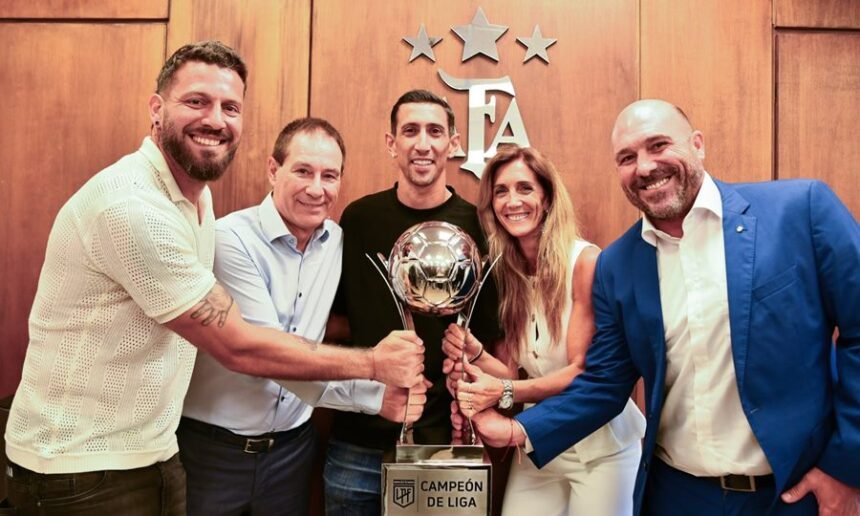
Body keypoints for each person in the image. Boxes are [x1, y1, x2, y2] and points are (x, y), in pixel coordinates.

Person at [3, 41, 424, 516]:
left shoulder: (196, 201)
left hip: (155, 456)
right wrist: (373, 369)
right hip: (78, 470)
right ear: (156, 109)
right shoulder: (134, 208)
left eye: (230, 107)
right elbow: (242, 346)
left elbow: (300, 328)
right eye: (196, 101)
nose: (216, 120)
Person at [457, 99, 860, 515]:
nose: (645, 167)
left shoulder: (799, 210)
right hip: (678, 496)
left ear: (698, 144)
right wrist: (515, 430)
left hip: (794, 495)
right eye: (627, 158)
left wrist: (847, 467)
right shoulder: (619, 264)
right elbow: (605, 383)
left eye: (659, 145)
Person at [177, 117, 430, 516]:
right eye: (303, 171)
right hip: (214, 452)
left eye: (329, 175)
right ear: (273, 170)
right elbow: (267, 357)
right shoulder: (230, 241)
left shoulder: (338, 244)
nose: (317, 188)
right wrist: (373, 389)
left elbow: (343, 322)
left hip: (292, 454)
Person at [324, 89, 501, 515]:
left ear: (453, 144)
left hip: (443, 444)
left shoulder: (479, 226)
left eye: (435, 131)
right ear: (392, 143)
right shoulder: (358, 219)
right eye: (410, 131)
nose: (423, 143)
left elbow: (493, 340)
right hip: (357, 442)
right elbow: (335, 320)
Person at [443, 145, 645, 515]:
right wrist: (474, 354)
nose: (511, 201)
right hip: (539, 446)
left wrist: (501, 391)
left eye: (524, 188)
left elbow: (582, 371)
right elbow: (510, 370)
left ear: (547, 198)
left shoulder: (585, 261)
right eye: (501, 191)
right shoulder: (505, 272)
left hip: (601, 448)